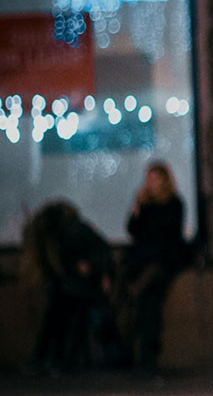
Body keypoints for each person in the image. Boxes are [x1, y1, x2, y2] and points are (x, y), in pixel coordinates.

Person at [20, 201, 113, 375]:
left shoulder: (70, 232)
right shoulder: (72, 230)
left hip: (77, 287)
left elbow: (96, 253)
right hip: (73, 286)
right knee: (57, 320)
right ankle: (51, 360)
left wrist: (91, 267)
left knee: (59, 321)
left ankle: (51, 359)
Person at [121, 161, 186, 377]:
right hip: (142, 262)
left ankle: (145, 354)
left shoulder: (173, 203)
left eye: (156, 179)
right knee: (145, 303)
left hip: (161, 262)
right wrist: (137, 209)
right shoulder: (144, 204)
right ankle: (141, 355)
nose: (152, 183)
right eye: (149, 179)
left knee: (146, 300)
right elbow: (133, 230)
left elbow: (167, 236)